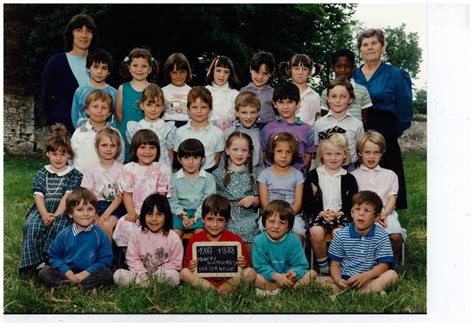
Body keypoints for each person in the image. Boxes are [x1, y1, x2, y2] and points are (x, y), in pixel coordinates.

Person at [353, 28, 412, 209]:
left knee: (386, 173)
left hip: (385, 129)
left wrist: (392, 131)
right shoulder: (353, 76)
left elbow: (404, 108)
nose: (369, 48)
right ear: (360, 49)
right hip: (358, 128)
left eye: (374, 43)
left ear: (383, 47)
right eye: (365, 44)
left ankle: (389, 215)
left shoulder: (395, 74)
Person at [19, 124, 83, 275]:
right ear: (48, 154)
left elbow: (67, 197)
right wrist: (44, 214)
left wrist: (56, 215)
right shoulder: (42, 173)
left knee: (58, 228)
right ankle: (32, 264)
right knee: (32, 225)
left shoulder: (74, 174)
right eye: (54, 154)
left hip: (63, 210)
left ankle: (50, 262)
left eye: (63, 154)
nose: (58, 158)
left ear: (69, 155)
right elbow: (39, 197)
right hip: (43, 209)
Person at [302, 133, 358, 274]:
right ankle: (323, 264)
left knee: (339, 233)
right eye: (329, 154)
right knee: (316, 231)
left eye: (338, 154)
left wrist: (340, 212)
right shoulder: (313, 175)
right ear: (321, 155)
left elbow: (353, 201)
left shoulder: (349, 178)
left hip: (341, 214)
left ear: (344, 155)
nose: (333, 158)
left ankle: (337, 263)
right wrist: (320, 212)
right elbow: (307, 200)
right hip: (318, 213)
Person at [38, 187, 113, 291]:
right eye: (79, 210)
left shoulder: (99, 234)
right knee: (45, 272)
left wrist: (85, 273)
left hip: (90, 272)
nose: (85, 214)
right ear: (70, 213)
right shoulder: (64, 234)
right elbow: (54, 256)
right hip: (67, 271)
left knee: (107, 275)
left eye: (90, 209)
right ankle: (75, 286)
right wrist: (68, 273)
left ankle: (76, 287)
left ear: (95, 211)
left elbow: (106, 259)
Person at [180, 194, 256, 295]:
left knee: (251, 272)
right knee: (183, 273)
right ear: (203, 219)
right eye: (210, 219)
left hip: (229, 281)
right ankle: (212, 290)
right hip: (204, 282)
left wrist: (242, 263)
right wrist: (191, 266)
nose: (214, 225)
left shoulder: (235, 240)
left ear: (227, 222)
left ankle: (224, 289)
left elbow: (246, 266)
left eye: (220, 220)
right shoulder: (195, 240)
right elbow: (186, 266)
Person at [351, 130, 406, 263]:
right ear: (360, 153)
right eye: (367, 152)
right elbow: (355, 202)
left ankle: (391, 261)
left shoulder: (390, 175)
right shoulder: (353, 176)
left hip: (385, 213)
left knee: (395, 236)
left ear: (382, 153)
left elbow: (392, 198)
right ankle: (367, 261)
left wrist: (384, 214)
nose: (371, 156)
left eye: (376, 152)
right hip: (363, 213)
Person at [112, 129, 171, 254]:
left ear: (157, 150)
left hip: (155, 211)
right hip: (135, 210)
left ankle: (153, 261)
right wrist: (132, 213)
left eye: (152, 148)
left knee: (154, 228)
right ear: (135, 149)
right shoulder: (128, 168)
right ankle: (130, 261)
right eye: (143, 147)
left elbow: (161, 197)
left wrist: (151, 214)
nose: (147, 152)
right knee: (125, 225)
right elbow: (127, 193)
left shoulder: (162, 169)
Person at [327, 190, 399, 294]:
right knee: (318, 279)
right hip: (345, 279)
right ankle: (362, 292)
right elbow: (335, 265)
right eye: (357, 209)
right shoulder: (340, 235)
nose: (361, 214)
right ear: (352, 213)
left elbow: (383, 265)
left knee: (392, 275)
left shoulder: (381, 235)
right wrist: (338, 280)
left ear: (377, 217)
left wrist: (365, 276)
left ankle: (357, 293)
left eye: (367, 210)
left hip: (370, 278)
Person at [41, 14, 98, 133]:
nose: (84, 35)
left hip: (94, 133)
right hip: (64, 133)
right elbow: (46, 98)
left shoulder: (100, 64)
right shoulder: (56, 63)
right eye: (78, 30)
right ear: (71, 34)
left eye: (88, 31)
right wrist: (54, 125)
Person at [114, 194, 183, 287]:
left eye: (159, 214)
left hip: (162, 275)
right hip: (140, 276)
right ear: (143, 215)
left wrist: (156, 274)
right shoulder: (137, 234)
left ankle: (146, 285)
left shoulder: (173, 237)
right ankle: (147, 285)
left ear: (166, 216)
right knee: (118, 275)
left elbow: (176, 263)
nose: (154, 219)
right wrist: (143, 275)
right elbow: (132, 259)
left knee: (173, 276)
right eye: (150, 214)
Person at [252, 200, 317, 295]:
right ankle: (278, 289)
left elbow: (301, 265)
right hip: (269, 278)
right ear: (264, 224)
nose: (276, 226)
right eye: (271, 221)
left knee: (312, 273)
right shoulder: (259, 241)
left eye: (282, 223)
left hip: (289, 279)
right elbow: (260, 267)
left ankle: (281, 290)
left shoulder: (294, 240)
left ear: (288, 227)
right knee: (255, 277)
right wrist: (276, 276)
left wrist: (294, 273)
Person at [213, 132, 259, 256]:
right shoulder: (218, 174)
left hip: (247, 215)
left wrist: (254, 199)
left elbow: (261, 200)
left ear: (249, 153)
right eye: (235, 149)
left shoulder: (255, 174)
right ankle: (226, 266)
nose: (239, 154)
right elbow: (213, 199)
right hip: (225, 215)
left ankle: (248, 267)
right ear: (227, 151)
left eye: (244, 150)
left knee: (250, 227)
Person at [258, 132, 306, 241]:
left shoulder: (297, 175)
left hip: (292, 215)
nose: (284, 156)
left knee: (298, 230)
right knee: (262, 227)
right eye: (279, 151)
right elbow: (265, 203)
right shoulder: (264, 174)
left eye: (288, 152)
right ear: (272, 152)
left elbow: (298, 204)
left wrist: (286, 217)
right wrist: (275, 218)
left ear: (293, 154)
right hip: (270, 215)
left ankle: (294, 256)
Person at [80, 128, 126, 242]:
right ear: (97, 147)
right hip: (94, 205)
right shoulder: (91, 168)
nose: (108, 149)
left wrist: (106, 213)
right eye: (104, 145)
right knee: (88, 227)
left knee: (105, 227)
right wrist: (94, 213)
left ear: (118, 148)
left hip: (115, 206)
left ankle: (107, 259)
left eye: (113, 145)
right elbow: (88, 193)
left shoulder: (122, 169)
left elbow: (120, 196)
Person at [262, 81, 316, 173]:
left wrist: (302, 175)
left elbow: (308, 154)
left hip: (298, 180)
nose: (285, 107)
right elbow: (264, 153)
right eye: (281, 102)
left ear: (298, 103)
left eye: (290, 102)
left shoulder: (306, 129)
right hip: (273, 180)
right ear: (274, 104)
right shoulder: (268, 128)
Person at [116, 47, 158, 162]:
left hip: (147, 138)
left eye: (144, 66)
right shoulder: (123, 88)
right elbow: (119, 115)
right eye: (135, 65)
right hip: (125, 136)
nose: (139, 69)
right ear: (129, 67)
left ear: (150, 69)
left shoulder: (154, 90)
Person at [313, 78, 364, 171]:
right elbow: (317, 148)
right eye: (333, 96)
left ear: (350, 99)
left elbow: (360, 149)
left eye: (343, 96)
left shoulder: (357, 124)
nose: (337, 100)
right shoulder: (319, 124)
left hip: (350, 169)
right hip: (324, 170)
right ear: (327, 98)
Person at [169, 139, 216, 237]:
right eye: (186, 157)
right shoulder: (173, 178)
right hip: (179, 213)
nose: (190, 162)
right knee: (175, 233)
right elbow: (173, 202)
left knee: (200, 233)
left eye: (195, 157)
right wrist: (184, 217)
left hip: (201, 212)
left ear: (202, 159)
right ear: (179, 158)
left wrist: (195, 217)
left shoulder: (208, 178)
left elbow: (208, 202)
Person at [70, 90, 125, 174]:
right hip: (81, 180)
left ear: (109, 113)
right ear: (87, 110)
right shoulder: (79, 133)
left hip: (107, 180)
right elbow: (71, 157)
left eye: (104, 108)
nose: (99, 111)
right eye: (95, 106)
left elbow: (120, 156)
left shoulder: (115, 134)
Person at [173, 86, 225, 172]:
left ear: (210, 109)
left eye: (203, 107)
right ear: (188, 109)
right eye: (194, 107)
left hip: (209, 173)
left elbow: (217, 158)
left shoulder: (218, 133)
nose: (199, 111)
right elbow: (179, 157)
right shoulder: (180, 132)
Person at [126, 83, 176, 168]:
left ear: (163, 107)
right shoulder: (135, 128)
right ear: (142, 105)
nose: (153, 109)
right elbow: (134, 152)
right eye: (149, 105)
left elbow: (170, 154)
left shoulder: (168, 128)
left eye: (157, 105)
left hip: (161, 171)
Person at [320, 48, 373, 121]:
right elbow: (325, 117)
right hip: (333, 131)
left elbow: (365, 116)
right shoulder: (326, 92)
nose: (343, 70)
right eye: (338, 66)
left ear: (353, 68)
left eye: (347, 66)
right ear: (333, 67)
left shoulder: (362, 91)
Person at [71, 48, 118, 129]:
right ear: (88, 68)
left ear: (109, 71)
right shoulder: (80, 91)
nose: (99, 71)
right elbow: (75, 116)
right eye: (96, 67)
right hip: (84, 136)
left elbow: (116, 118)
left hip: (108, 137)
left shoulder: (114, 93)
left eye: (104, 68)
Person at [223, 91, 264, 174]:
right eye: (244, 112)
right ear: (237, 113)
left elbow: (263, 161)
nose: (248, 117)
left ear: (258, 113)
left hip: (256, 176)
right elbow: (223, 160)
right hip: (233, 176)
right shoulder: (228, 133)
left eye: (252, 112)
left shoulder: (261, 133)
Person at [280, 53, 321, 126]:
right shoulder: (281, 92)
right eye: (296, 68)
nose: (300, 72)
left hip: (307, 135)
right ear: (290, 70)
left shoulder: (315, 96)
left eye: (305, 69)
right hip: (285, 134)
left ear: (310, 72)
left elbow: (318, 121)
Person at [239, 51, 276, 127]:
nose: (260, 77)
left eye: (264, 73)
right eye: (257, 72)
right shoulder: (243, 91)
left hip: (268, 129)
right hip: (248, 128)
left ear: (271, 74)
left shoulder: (274, 93)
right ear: (250, 69)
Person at [205, 55, 240, 131]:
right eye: (218, 70)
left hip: (230, 133)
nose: (222, 75)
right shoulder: (205, 91)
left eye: (226, 72)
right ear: (212, 71)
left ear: (230, 74)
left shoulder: (235, 94)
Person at [161, 52, 193, 128]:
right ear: (169, 73)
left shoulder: (192, 91)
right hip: (167, 124)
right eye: (174, 72)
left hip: (187, 124)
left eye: (182, 72)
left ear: (187, 72)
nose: (178, 76)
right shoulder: (162, 91)